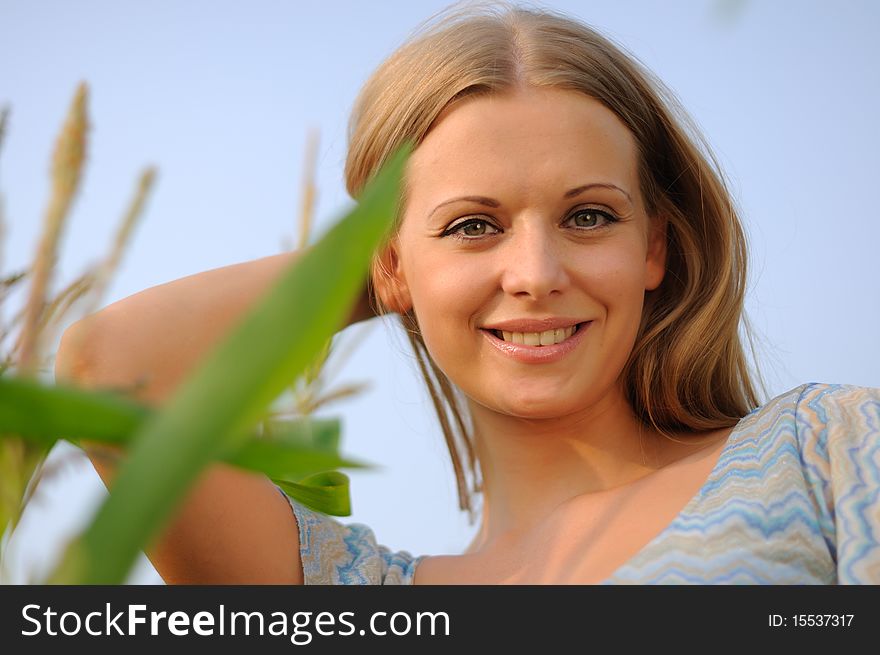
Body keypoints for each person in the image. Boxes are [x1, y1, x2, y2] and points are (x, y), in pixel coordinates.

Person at [56, 1, 879, 584]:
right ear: (389, 267)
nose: (536, 272)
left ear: (655, 245)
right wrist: (396, 269)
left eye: (589, 215)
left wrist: (440, 251)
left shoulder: (825, 448)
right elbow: (110, 366)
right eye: (474, 226)